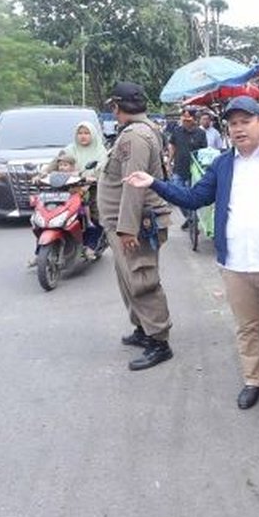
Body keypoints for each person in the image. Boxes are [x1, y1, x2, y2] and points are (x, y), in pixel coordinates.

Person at [125, 96, 259, 410]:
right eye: (233, 123)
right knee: (247, 328)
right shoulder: (224, 164)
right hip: (236, 265)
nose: (238, 128)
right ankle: (253, 380)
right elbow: (193, 197)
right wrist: (154, 183)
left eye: (245, 121)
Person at [97, 81, 175, 372]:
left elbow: (134, 185)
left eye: (113, 107)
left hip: (135, 224)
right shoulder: (138, 132)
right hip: (123, 223)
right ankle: (144, 329)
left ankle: (159, 341)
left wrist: (127, 228)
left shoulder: (136, 136)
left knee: (142, 281)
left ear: (117, 107)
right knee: (129, 279)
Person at [63, 121, 108, 259]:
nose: (83, 136)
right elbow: (55, 163)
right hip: (71, 188)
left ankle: (91, 245)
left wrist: (94, 178)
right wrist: (42, 173)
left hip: (94, 188)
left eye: (87, 133)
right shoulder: (69, 149)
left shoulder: (100, 151)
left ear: (93, 135)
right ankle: (41, 251)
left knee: (95, 217)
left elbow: (104, 169)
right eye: (80, 133)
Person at [165, 108, 207, 230]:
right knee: (178, 195)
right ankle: (189, 217)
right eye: (183, 119)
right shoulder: (177, 131)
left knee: (190, 196)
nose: (185, 122)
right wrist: (169, 162)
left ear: (194, 120)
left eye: (188, 120)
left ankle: (191, 217)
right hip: (179, 168)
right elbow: (172, 147)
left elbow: (204, 152)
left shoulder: (200, 133)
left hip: (194, 170)